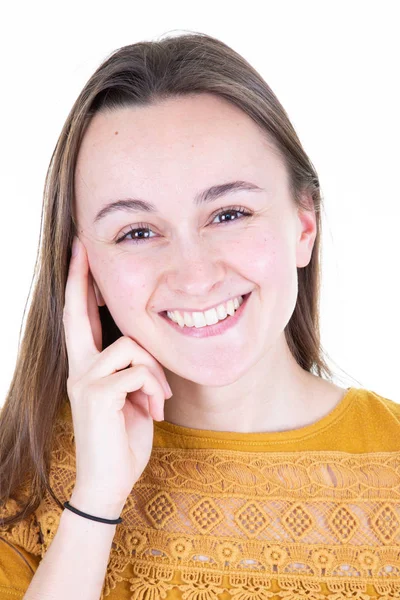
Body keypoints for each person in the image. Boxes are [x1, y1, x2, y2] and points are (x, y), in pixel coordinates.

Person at [0, 31, 399, 600]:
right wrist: (93, 504)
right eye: (137, 231)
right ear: (87, 275)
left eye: (230, 213)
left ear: (303, 227)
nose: (194, 274)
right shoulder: (22, 485)